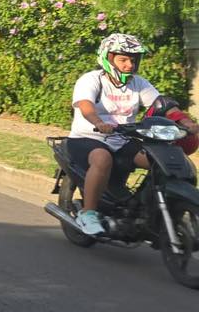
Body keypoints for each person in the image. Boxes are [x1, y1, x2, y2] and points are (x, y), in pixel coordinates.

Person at [67, 33, 198, 235]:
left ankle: (151, 208)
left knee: (162, 161)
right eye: (123, 59)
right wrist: (99, 122)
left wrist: (187, 122)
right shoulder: (91, 80)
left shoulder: (138, 83)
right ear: (108, 59)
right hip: (88, 138)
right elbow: (85, 106)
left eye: (133, 60)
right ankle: (88, 213)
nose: (129, 64)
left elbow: (163, 105)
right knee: (102, 159)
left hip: (122, 139)